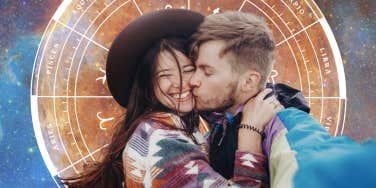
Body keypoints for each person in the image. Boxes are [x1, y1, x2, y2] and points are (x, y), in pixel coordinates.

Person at [61, 9, 282, 188]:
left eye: (188, 69)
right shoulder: (163, 141)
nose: (181, 83)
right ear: (149, 85)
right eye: (165, 75)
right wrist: (250, 132)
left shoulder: (170, 129)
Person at [189, 11, 310, 179]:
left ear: (248, 82)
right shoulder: (221, 123)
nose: (193, 80)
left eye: (207, 72)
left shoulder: (287, 129)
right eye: (194, 69)